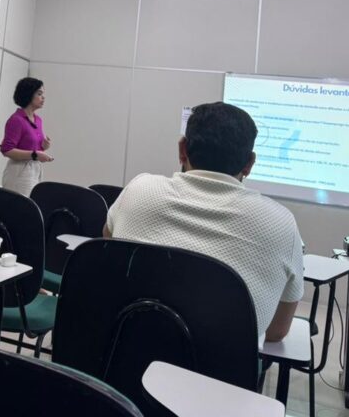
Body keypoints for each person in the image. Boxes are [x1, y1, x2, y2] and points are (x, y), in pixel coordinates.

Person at [104, 102, 304, 343]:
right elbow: (276, 331)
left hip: (124, 353)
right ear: (249, 164)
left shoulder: (139, 190)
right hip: (219, 367)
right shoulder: (282, 223)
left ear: (182, 149)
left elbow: (107, 247)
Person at [0, 77, 53, 197]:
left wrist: (43, 146)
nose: (43, 97)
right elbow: (7, 150)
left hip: (35, 169)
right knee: (21, 206)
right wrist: (35, 154)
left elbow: (31, 147)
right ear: (28, 94)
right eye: (39, 94)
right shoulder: (16, 120)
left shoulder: (38, 120)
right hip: (19, 171)